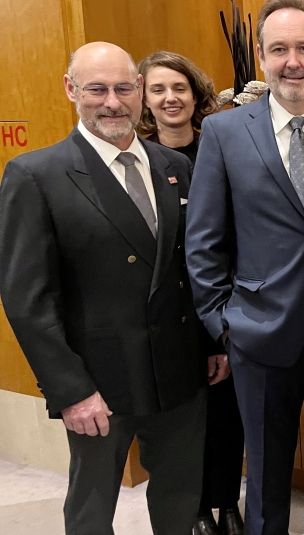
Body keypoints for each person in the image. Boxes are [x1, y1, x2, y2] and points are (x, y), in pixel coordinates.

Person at [0, 41, 222, 535]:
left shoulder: (175, 167)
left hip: (180, 370)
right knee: (92, 505)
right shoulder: (36, 175)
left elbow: (193, 270)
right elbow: (26, 300)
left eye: (124, 88)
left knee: (181, 495)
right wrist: (71, 390)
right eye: (97, 89)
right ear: (70, 90)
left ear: (139, 90)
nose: (113, 102)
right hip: (99, 383)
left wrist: (209, 345)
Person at [185, 1, 304, 533]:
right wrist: (223, 325)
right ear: (261, 56)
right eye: (280, 49)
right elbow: (204, 240)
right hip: (259, 333)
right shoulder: (223, 133)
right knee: (265, 477)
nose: (293, 62)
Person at [136, 50, 245, 535]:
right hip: (166, 313)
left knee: (226, 415)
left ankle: (226, 501)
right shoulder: (137, 159)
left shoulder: (221, 146)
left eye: (178, 87)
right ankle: (195, 507)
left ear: (195, 92)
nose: (169, 98)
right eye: (157, 89)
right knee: (181, 425)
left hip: (221, 303)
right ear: (143, 97)